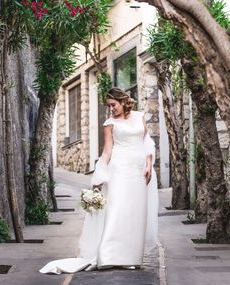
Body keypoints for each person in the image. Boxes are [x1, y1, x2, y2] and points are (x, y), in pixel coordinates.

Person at [40, 87, 158, 274]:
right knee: (117, 209)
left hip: (138, 171)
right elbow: (107, 151)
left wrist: (149, 164)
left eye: (113, 105)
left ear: (123, 102)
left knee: (135, 212)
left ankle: (131, 257)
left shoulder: (139, 116)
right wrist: (99, 176)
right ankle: (109, 255)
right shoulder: (109, 123)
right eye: (109, 106)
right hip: (119, 169)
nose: (111, 109)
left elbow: (147, 141)